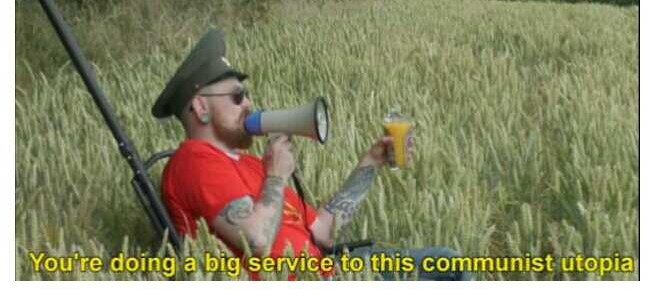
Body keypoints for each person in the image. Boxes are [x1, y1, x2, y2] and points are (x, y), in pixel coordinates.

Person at [153, 28, 470, 281]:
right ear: (200, 107)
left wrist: (370, 163)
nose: (249, 103)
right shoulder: (195, 161)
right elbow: (258, 241)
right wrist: (276, 175)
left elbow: (321, 232)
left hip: (335, 273)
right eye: (237, 96)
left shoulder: (250, 164)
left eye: (247, 94)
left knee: (447, 261)